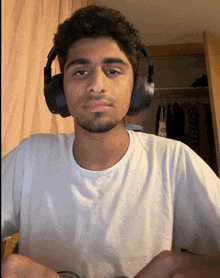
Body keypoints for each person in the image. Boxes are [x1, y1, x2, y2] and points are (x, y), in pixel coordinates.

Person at [1, 4, 220, 278]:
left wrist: (181, 265)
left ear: (138, 88)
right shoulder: (30, 158)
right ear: (58, 91)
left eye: (113, 70)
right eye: (80, 71)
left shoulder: (173, 161)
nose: (96, 85)